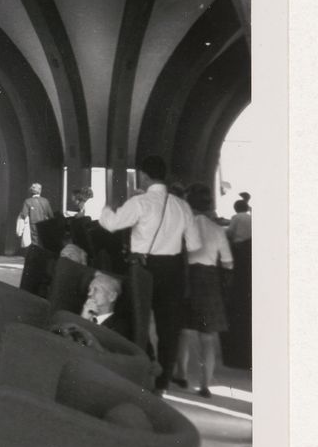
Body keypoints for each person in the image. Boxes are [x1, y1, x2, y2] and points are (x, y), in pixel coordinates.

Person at [99, 155, 201, 392]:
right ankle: (162, 382)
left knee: (134, 317)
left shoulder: (140, 203)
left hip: (143, 269)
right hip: (174, 269)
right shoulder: (182, 205)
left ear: (143, 175)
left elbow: (112, 224)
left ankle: (145, 363)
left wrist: (105, 209)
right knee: (169, 326)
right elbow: (194, 244)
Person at [175, 182, 234, 397]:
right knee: (207, 338)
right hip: (209, 283)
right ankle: (205, 385)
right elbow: (228, 262)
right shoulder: (217, 230)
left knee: (183, 331)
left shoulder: (184, 226)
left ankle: (181, 376)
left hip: (187, 280)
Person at [79, 270, 132, 339]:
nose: (89, 294)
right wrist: (82, 320)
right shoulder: (83, 314)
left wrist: (83, 323)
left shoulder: (119, 328)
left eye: (96, 290)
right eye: (89, 290)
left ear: (112, 297)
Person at [18, 181, 53, 248]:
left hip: (33, 225)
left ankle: (36, 256)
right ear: (40, 191)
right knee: (43, 241)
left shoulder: (28, 201)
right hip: (44, 224)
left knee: (35, 242)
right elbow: (51, 215)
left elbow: (23, 215)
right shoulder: (45, 201)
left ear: (31, 191)